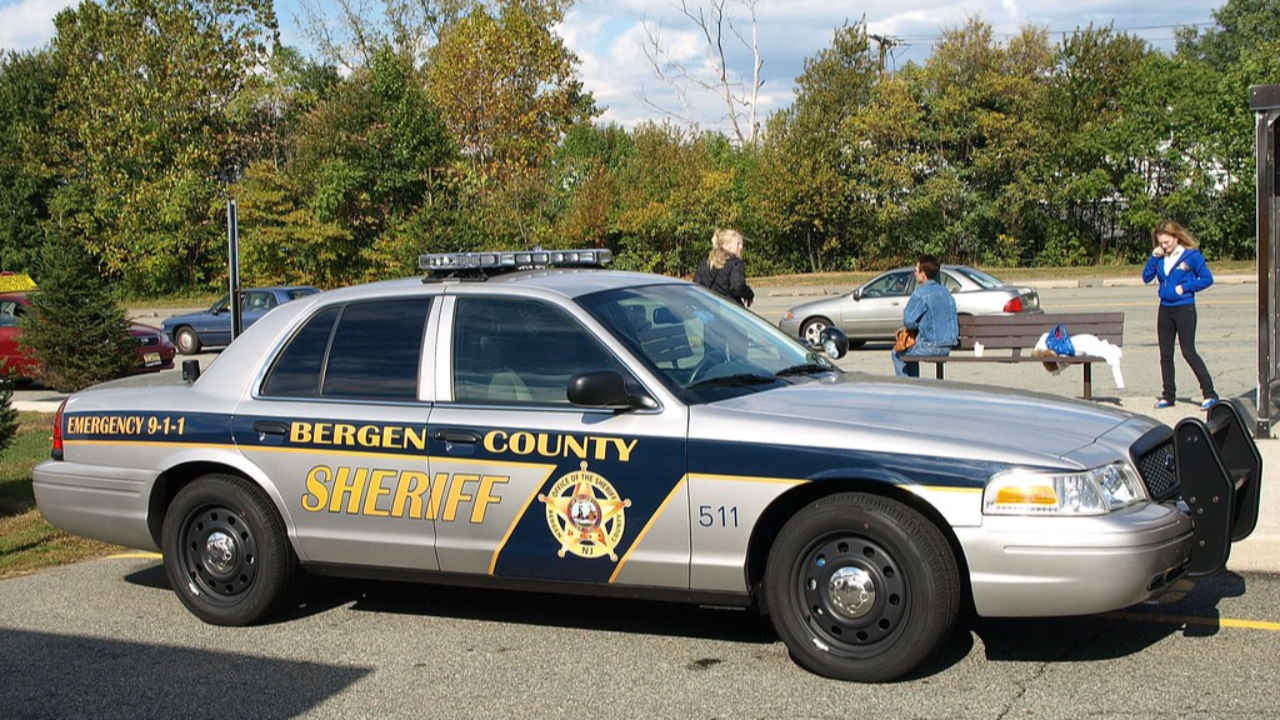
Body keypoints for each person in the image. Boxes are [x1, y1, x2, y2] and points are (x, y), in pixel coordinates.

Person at [1142, 219, 1218, 410]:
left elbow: (1207, 279)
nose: (1164, 246)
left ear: (1176, 238)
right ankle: (1168, 395)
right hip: (1165, 309)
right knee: (1166, 354)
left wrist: (1185, 288)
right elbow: (1146, 277)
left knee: (1188, 352)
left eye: (1167, 242)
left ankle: (1209, 393)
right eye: (1161, 243)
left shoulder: (1191, 256)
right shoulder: (1160, 257)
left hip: (1184, 308)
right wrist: (1153, 257)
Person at [892, 254, 959, 378]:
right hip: (947, 348)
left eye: (916, 270)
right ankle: (914, 384)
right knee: (910, 350)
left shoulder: (920, 294)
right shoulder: (947, 294)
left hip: (929, 347)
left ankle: (908, 386)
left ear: (923, 274)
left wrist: (917, 325)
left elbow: (908, 321)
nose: (915, 273)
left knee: (897, 353)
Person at [695, 228, 755, 308]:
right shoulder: (735, 263)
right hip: (728, 309)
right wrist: (749, 294)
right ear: (726, 245)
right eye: (738, 244)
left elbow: (697, 287)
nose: (741, 247)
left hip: (708, 308)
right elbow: (738, 286)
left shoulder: (705, 262)